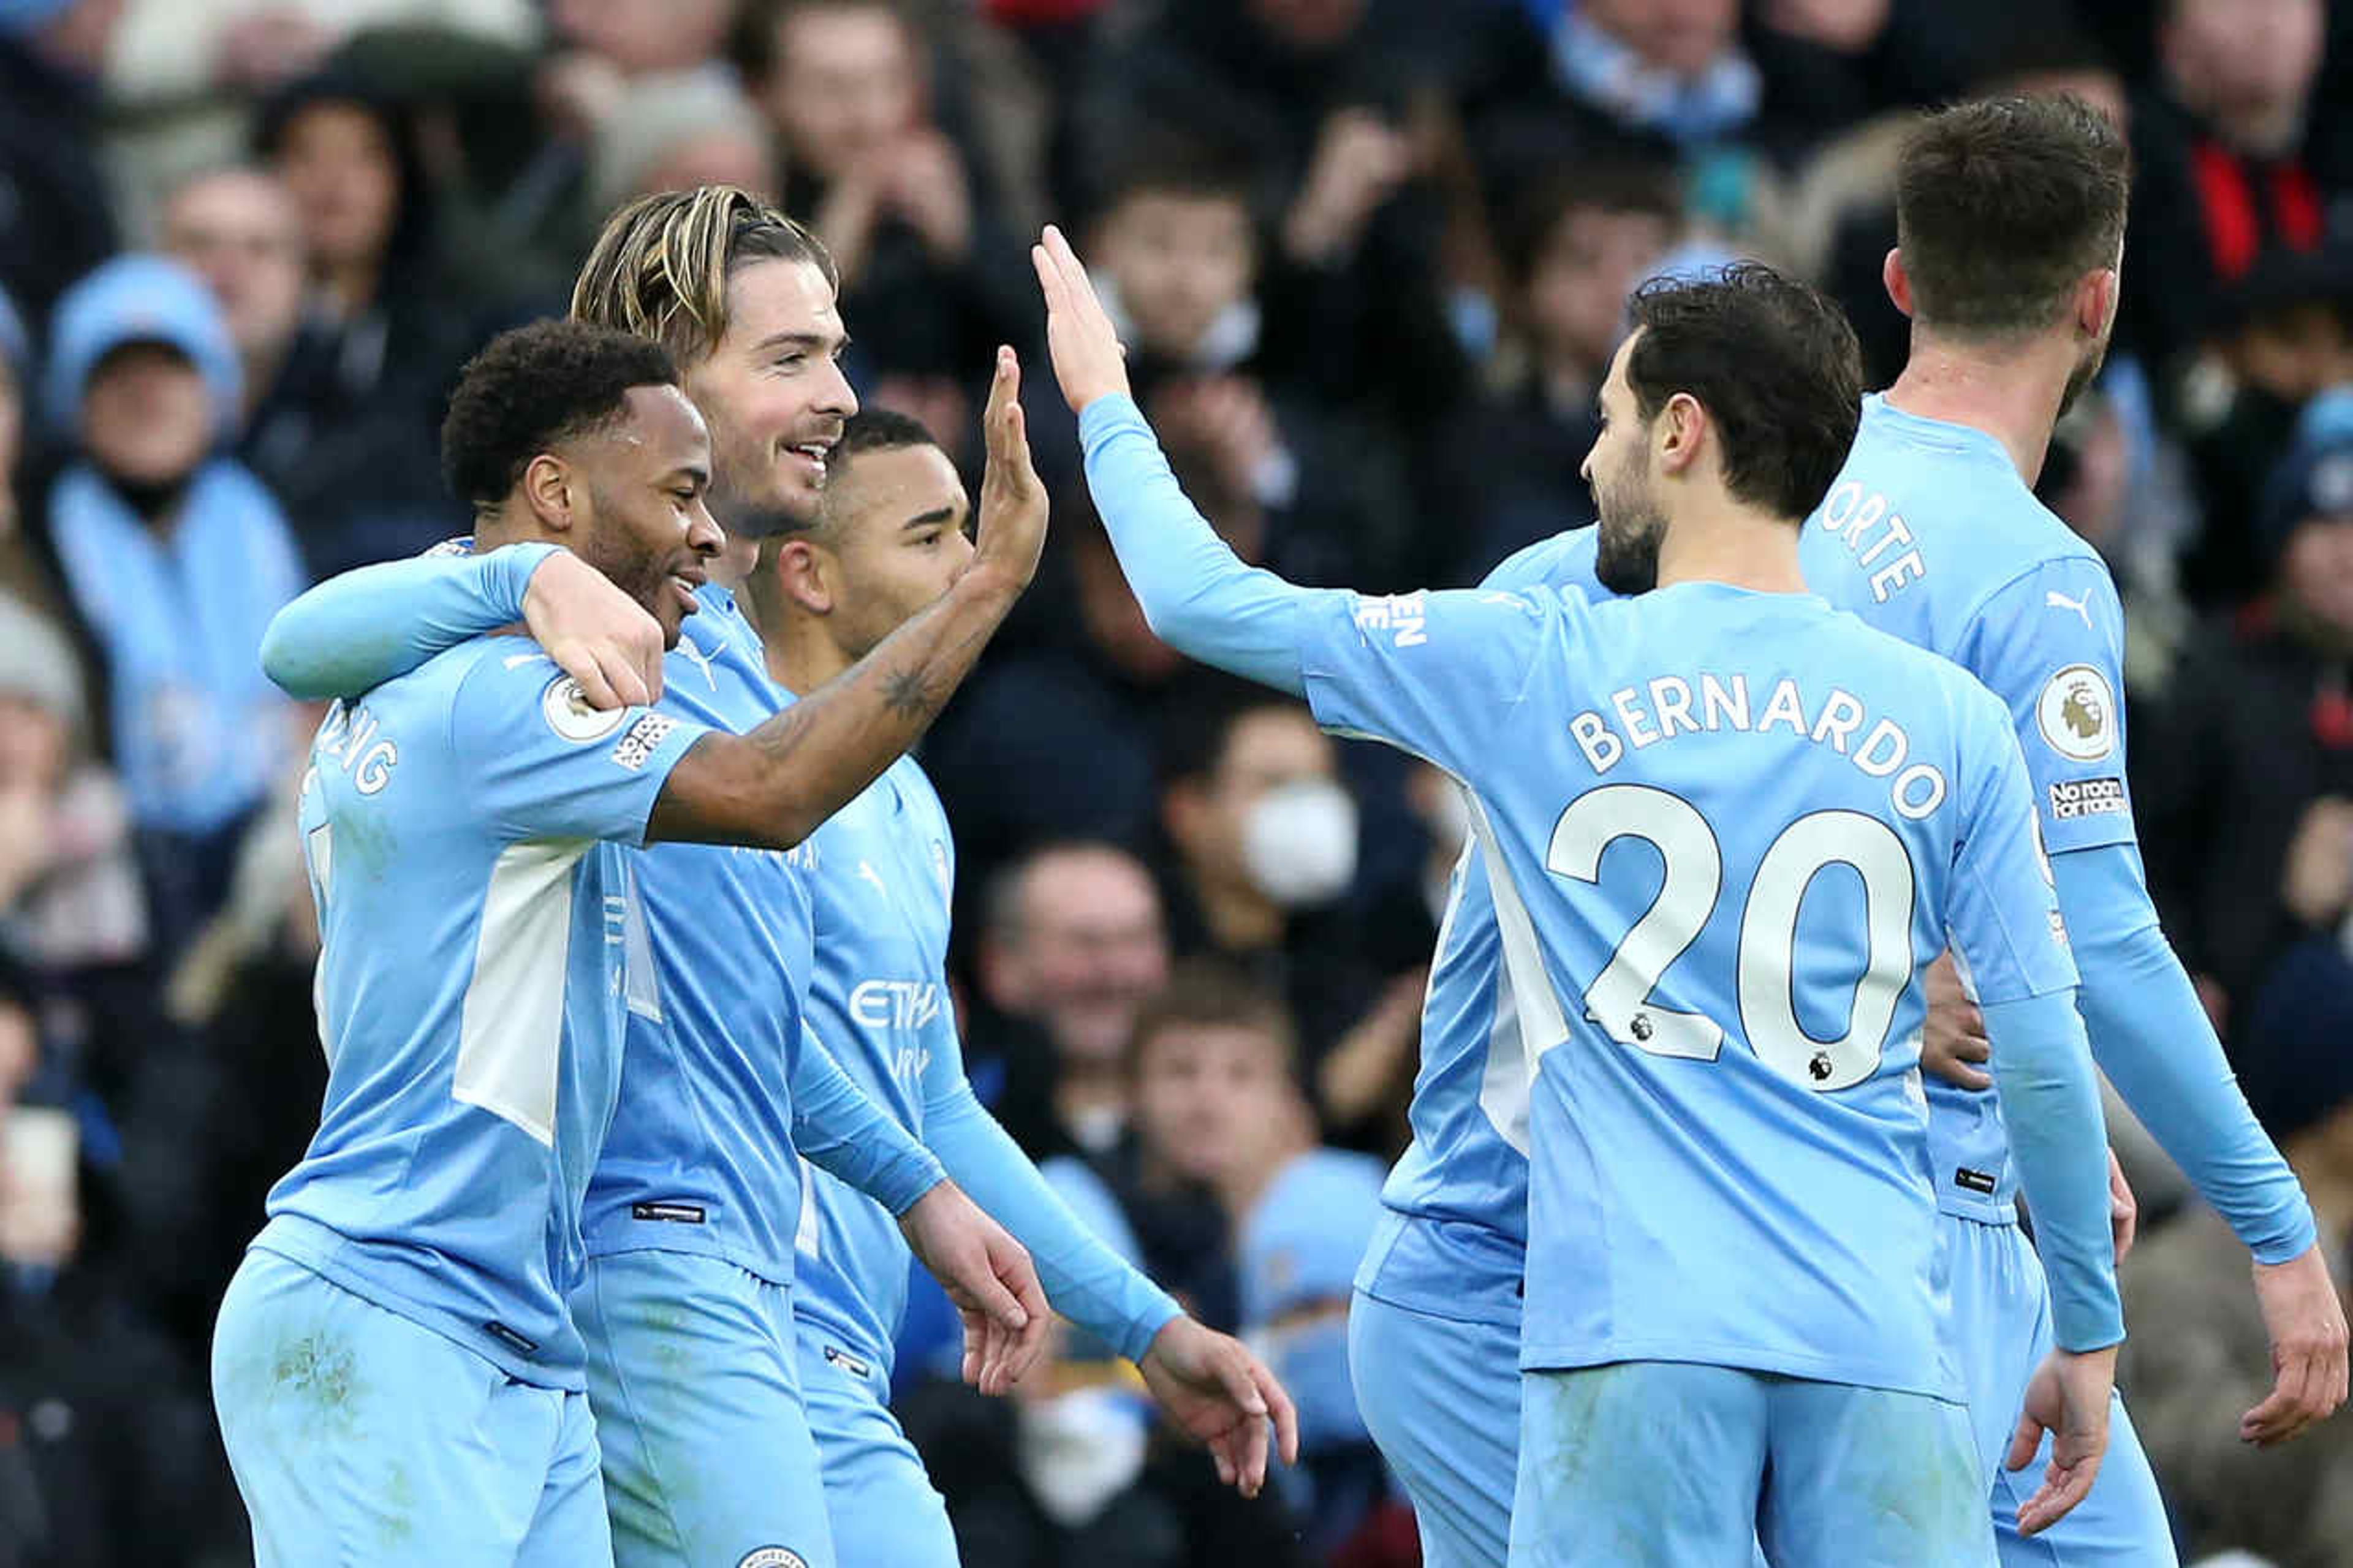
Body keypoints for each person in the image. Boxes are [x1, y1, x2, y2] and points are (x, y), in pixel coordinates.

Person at [1352, 92, 2347, 1568]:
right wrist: (2280, 1231)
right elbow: (2112, 948)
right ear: (2101, 304)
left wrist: (2027, 1119)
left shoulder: (1677, 507)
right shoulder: (2035, 583)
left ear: (1894, 284)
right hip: (1725, 1250)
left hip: (1679, 1230)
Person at [1035, 229, 2123, 1562]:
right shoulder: (1953, 719)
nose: (1586, 458)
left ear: (1680, 432)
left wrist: (1103, 402)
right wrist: (2083, 1328)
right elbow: (2050, 1055)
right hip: (1882, 1335)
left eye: (1608, 418)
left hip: (1636, 1332)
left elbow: (1199, 600)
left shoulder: (1534, 661)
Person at [256, 186, 1294, 1568]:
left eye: (840, 352)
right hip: (607, 1269)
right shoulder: (577, 656)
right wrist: (516, 584)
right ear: (663, 373)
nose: (836, 396)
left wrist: (1093, 1293)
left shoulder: (768, 701)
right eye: (791, 357)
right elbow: (299, 639)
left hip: (726, 1309)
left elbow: (816, 1042)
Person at [213, 316, 1055, 1566]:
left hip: (518, 1330)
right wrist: (984, 589)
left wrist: (918, 1188)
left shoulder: (472, 679)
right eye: (677, 493)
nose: (710, 533)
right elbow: (773, 791)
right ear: (554, 492)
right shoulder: (507, 703)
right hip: (395, 1306)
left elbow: (710, 1016)